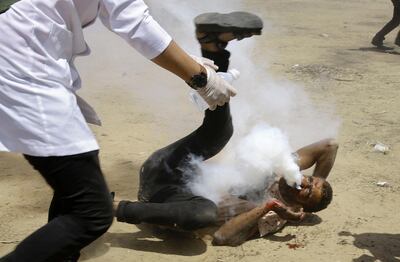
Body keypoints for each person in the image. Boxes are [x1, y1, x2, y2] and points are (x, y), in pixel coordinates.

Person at [0, 1, 237, 261]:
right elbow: (132, 20)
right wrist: (200, 78)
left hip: (23, 54)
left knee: (76, 196)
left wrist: (197, 69)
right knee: (90, 212)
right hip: (22, 62)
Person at [113, 12, 337, 246]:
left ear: (300, 205)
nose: (305, 183)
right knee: (221, 133)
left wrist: (270, 206)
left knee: (204, 213)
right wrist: (318, 182)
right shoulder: (285, 168)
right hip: (165, 167)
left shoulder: (274, 215)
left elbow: (222, 238)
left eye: (308, 192)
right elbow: (330, 146)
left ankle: (115, 208)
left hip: (165, 200)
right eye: (310, 181)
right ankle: (213, 47)